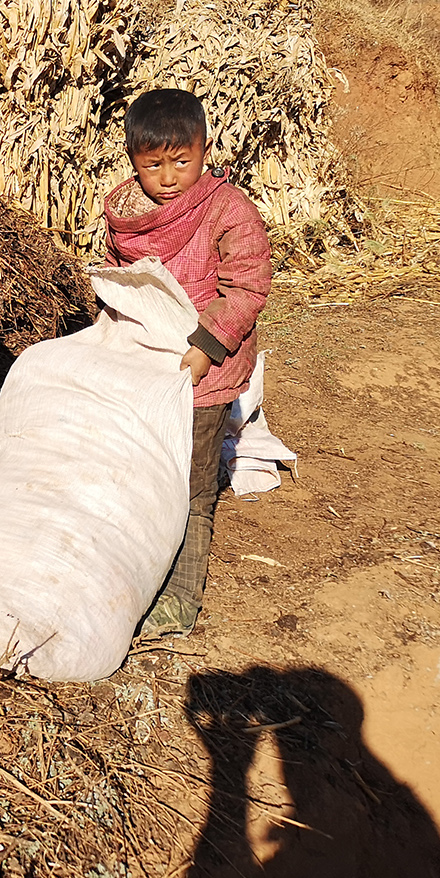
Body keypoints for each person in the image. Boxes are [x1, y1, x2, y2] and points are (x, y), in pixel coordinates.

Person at [104, 88, 271, 638]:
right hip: (148, 368)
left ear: (204, 150)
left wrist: (204, 348)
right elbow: (121, 284)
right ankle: (138, 567)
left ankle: (179, 599)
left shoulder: (228, 209)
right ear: (133, 161)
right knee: (148, 476)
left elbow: (246, 288)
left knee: (194, 491)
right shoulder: (126, 214)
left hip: (206, 372)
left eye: (183, 161)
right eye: (154, 165)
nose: (170, 177)